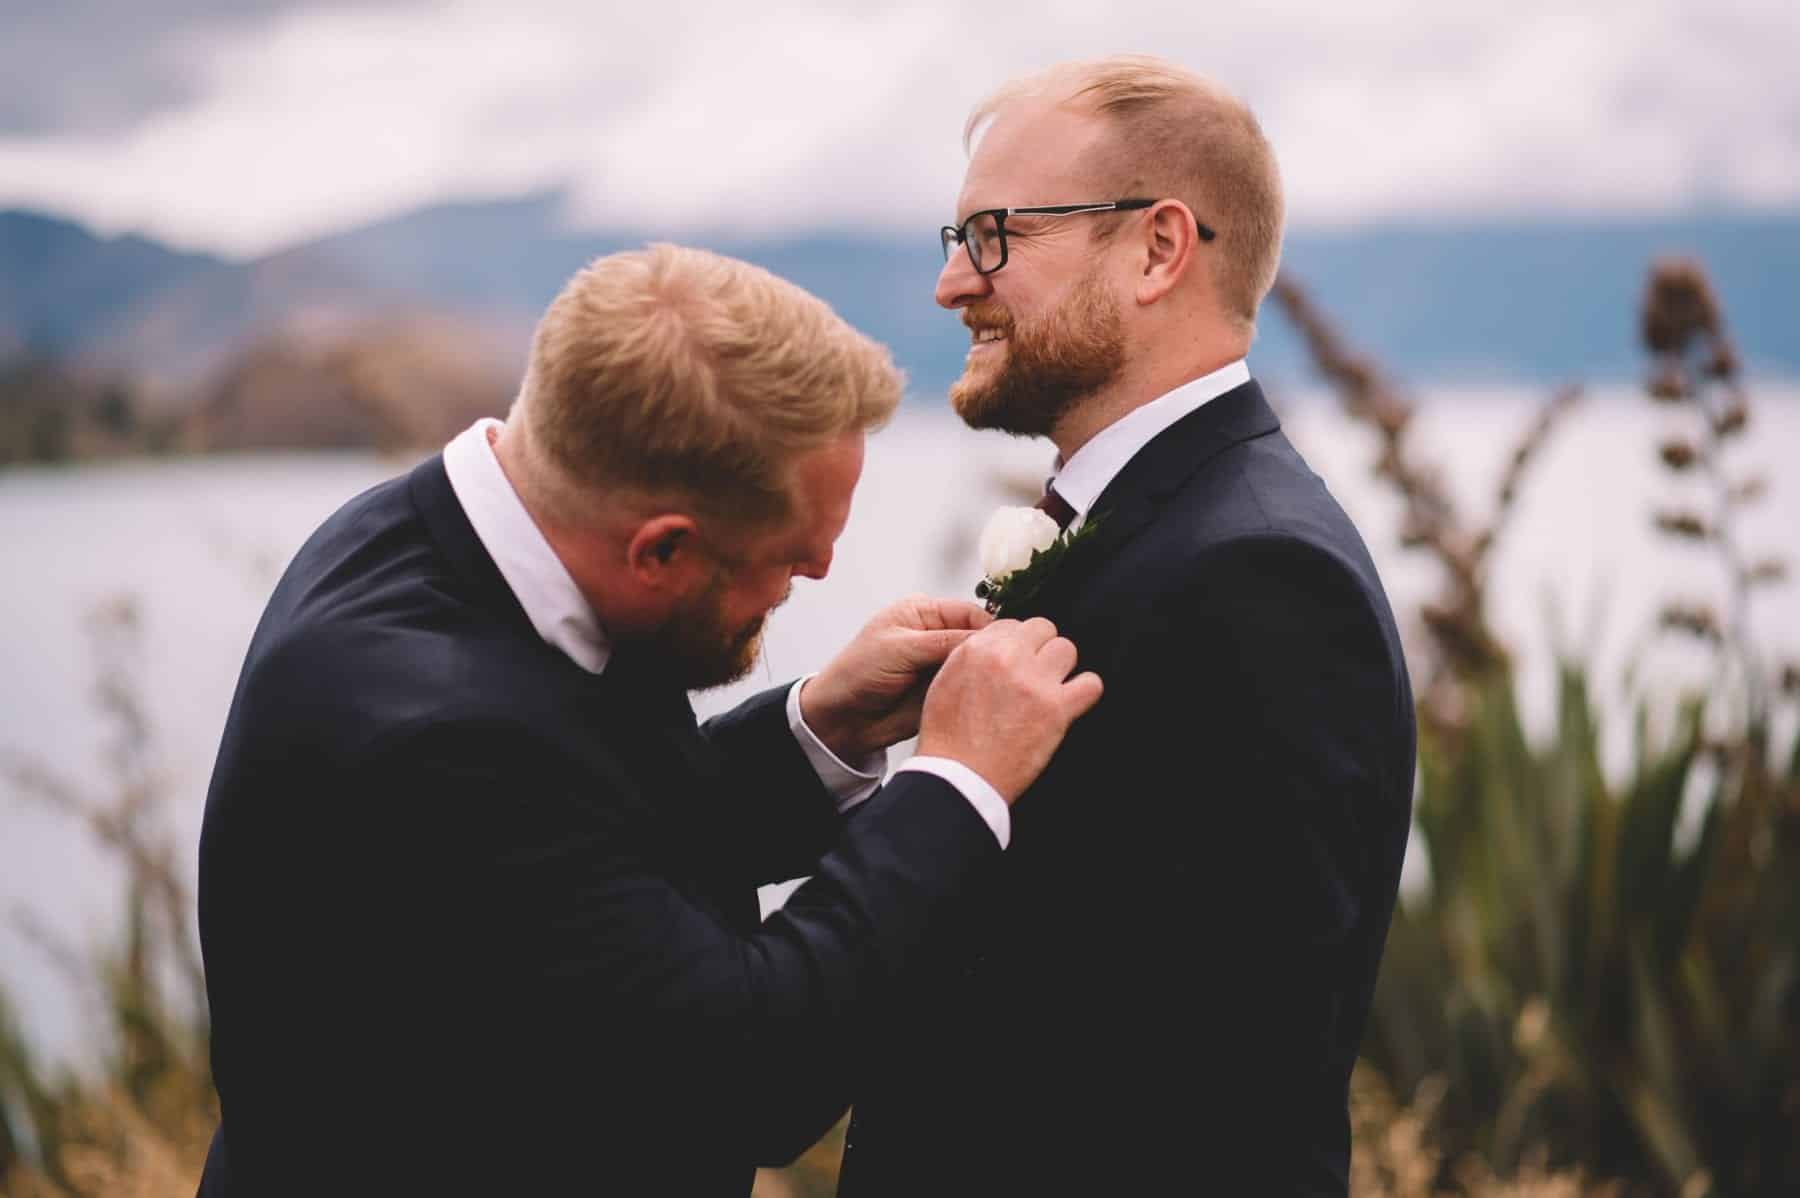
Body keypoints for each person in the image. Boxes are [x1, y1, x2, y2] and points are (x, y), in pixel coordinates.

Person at [193, 244, 1102, 1195]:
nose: (822, 575)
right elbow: (752, 1073)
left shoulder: (443, 535)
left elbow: (583, 838)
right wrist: (954, 783)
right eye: (793, 558)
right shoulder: (433, 734)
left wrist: (824, 729)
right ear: (658, 550)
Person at [837, 56, 1416, 1195]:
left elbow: (1212, 1087)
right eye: (953, 238)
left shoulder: (1260, 575)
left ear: (1158, 248)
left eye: (997, 233)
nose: (955, 284)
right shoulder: (1167, 528)